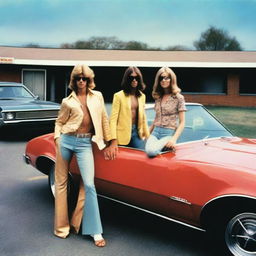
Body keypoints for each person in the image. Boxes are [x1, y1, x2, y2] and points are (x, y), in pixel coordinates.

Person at [54, 64, 116, 247]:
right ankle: (61, 228)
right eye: (78, 78)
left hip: (84, 144)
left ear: (90, 80)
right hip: (66, 141)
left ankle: (95, 231)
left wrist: (111, 141)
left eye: (85, 78)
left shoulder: (97, 97)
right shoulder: (67, 101)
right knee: (61, 184)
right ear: (74, 80)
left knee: (89, 184)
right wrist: (58, 138)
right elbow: (59, 122)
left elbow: (104, 119)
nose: (82, 81)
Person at [145, 67, 186, 157]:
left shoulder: (178, 97)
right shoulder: (158, 97)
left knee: (151, 151)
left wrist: (174, 139)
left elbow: (182, 122)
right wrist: (148, 132)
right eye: (161, 78)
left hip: (168, 133)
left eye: (166, 78)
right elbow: (157, 117)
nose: (163, 80)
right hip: (155, 132)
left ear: (172, 79)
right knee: (149, 152)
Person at [109, 66, 150, 151]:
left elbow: (143, 118)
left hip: (137, 133)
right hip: (121, 134)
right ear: (127, 79)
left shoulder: (142, 96)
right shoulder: (118, 96)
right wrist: (113, 140)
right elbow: (113, 120)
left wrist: (148, 136)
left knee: (141, 157)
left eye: (136, 78)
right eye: (131, 78)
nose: (134, 80)